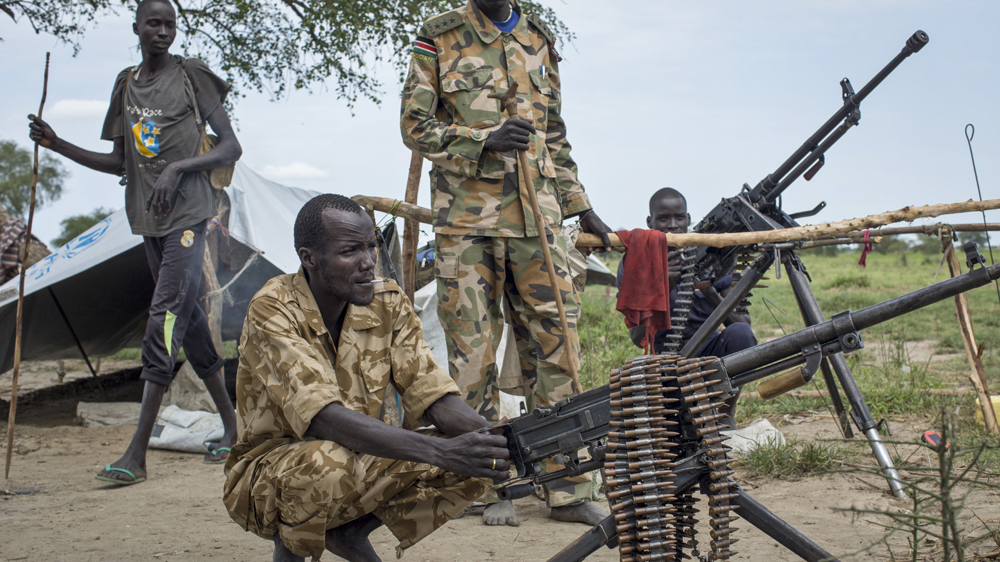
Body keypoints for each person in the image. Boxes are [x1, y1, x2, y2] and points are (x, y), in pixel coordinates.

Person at [400, 0, 612, 527]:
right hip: (466, 224)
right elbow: (414, 126)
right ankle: (487, 485)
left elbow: (554, 135)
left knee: (557, 349)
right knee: (472, 358)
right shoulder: (438, 36)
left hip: (538, 223)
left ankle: (566, 485)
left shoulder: (538, 38)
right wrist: (483, 140)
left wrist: (580, 205)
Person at [222, 194, 510, 562]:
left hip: (360, 456)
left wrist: (493, 438)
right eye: (350, 251)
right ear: (309, 258)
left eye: (371, 246)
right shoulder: (273, 308)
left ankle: (349, 534)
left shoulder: (387, 302)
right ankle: (290, 550)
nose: (368, 262)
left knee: (476, 455)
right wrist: (442, 452)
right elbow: (323, 417)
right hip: (267, 476)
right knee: (326, 462)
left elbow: (430, 392)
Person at [27, 0, 241, 482]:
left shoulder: (191, 76)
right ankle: (232, 429)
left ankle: (136, 455)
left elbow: (231, 145)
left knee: (163, 320)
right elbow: (119, 162)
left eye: (170, 24)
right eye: (154, 23)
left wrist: (177, 168)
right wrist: (57, 144)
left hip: (189, 216)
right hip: (149, 223)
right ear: (137, 28)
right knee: (189, 325)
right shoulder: (126, 84)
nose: (163, 31)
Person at [618, 188, 757, 425]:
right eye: (664, 218)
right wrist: (662, 288)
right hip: (665, 357)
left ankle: (724, 415)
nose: (672, 225)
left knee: (741, 334)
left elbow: (744, 324)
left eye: (679, 217)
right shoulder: (635, 263)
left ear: (689, 219)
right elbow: (636, 336)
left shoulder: (712, 255)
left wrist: (709, 290)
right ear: (650, 222)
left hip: (709, 349)